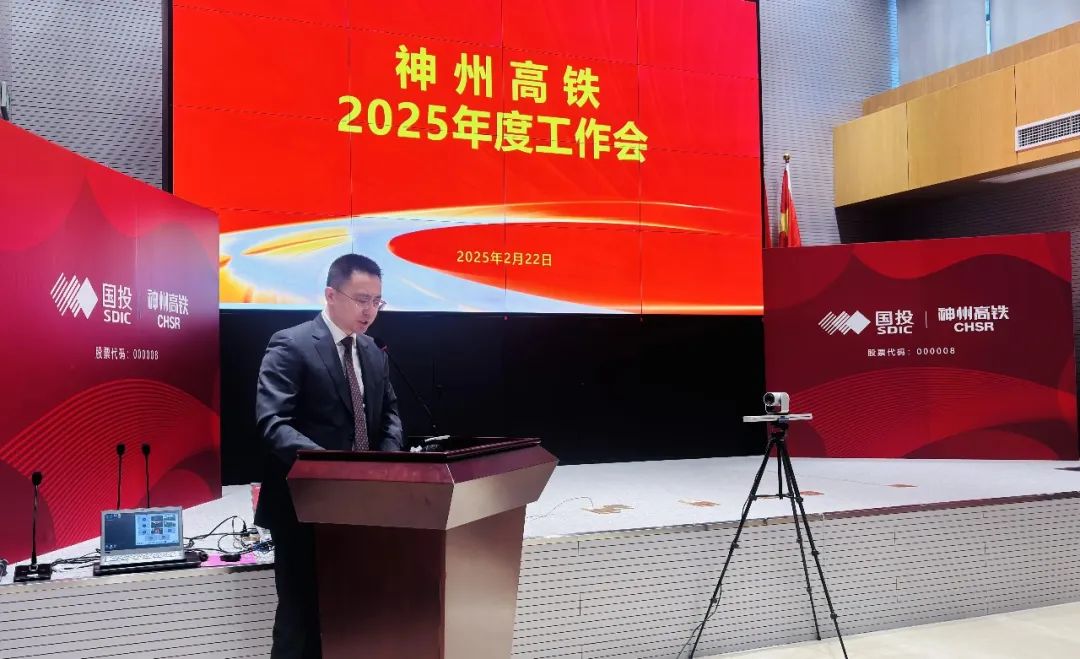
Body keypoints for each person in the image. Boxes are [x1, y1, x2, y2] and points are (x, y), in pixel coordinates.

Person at [254, 253, 403, 659]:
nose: (370, 311)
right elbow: (273, 422)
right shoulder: (292, 344)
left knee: (353, 616)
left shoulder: (373, 351)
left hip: (362, 507)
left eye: (377, 301)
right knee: (300, 620)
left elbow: (390, 415)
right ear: (330, 295)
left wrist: (384, 466)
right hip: (304, 507)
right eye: (361, 299)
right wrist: (334, 469)